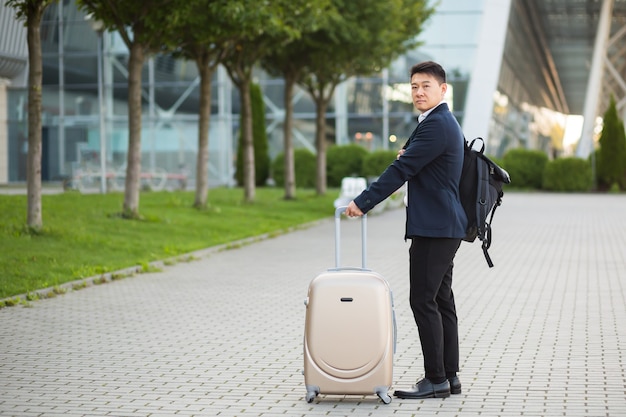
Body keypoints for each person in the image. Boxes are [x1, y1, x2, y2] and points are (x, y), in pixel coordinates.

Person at [345, 61, 467, 399]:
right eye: (414, 86)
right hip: (443, 225)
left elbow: (402, 168)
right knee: (441, 300)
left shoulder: (437, 124)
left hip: (436, 227)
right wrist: (409, 155)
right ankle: (449, 377)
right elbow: (415, 162)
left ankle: (436, 379)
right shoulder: (437, 123)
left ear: (443, 90)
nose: (418, 92)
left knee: (423, 300)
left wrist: (363, 202)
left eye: (426, 85)